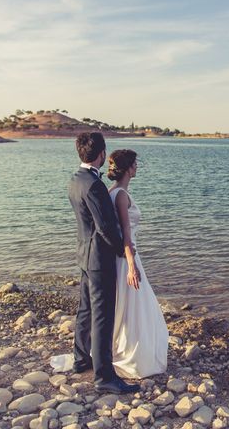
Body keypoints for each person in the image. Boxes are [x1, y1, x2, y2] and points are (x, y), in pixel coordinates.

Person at [67, 132, 140, 394]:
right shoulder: (94, 185)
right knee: (102, 316)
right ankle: (104, 377)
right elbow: (106, 228)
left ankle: (80, 359)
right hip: (99, 259)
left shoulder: (76, 180)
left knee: (85, 310)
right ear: (100, 154)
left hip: (83, 255)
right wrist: (123, 252)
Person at [107, 149, 168, 378]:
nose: (137, 167)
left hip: (123, 257)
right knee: (137, 306)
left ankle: (120, 349)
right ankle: (133, 356)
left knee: (127, 306)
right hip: (127, 257)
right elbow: (125, 233)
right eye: (135, 164)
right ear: (128, 168)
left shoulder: (112, 192)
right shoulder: (121, 195)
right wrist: (132, 266)